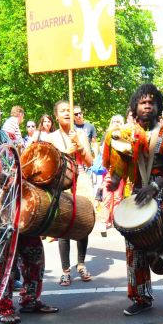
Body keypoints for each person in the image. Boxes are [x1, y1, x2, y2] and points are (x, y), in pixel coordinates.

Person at [105, 84, 163, 318]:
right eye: (142, 102)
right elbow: (121, 166)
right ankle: (141, 298)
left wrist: (155, 186)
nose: (147, 106)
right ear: (135, 107)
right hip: (138, 198)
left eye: (151, 102)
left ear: (158, 107)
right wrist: (114, 181)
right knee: (135, 254)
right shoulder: (126, 135)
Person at [0, 93, 56, 323]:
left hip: (18, 205)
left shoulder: (8, 136)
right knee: (0, 258)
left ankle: (30, 299)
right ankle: (4, 307)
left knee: (34, 252)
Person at [45, 100, 95, 285]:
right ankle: (65, 270)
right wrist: (66, 152)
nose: (67, 113)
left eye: (69, 110)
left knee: (83, 223)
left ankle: (81, 264)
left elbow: (89, 162)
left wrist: (79, 146)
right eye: (63, 111)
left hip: (80, 182)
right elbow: (49, 164)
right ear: (56, 116)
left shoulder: (80, 134)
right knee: (63, 226)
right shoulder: (50, 138)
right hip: (61, 183)